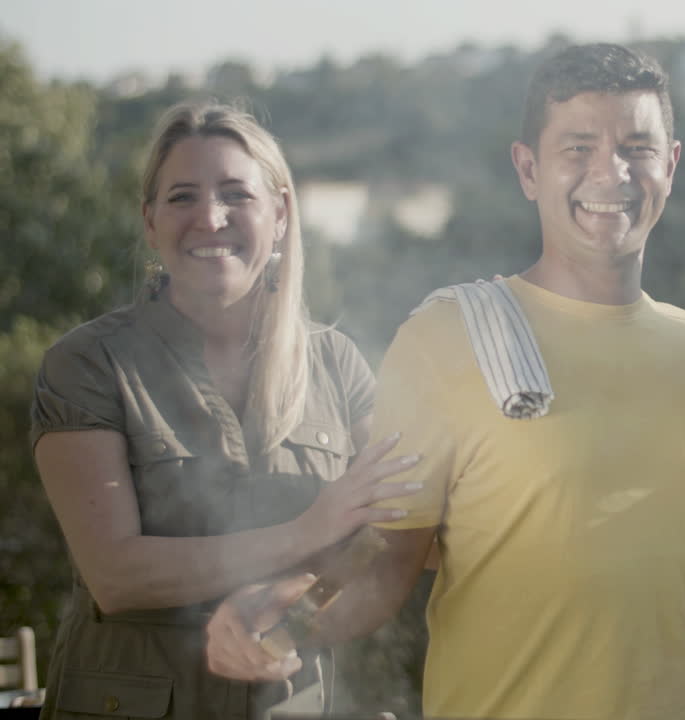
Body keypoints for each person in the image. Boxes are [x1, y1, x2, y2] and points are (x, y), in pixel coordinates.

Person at [205, 44, 685, 720]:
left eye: (638, 146)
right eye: (577, 148)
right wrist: (291, 616)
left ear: (672, 164)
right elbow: (388, 553)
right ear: (528, 169)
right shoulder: (448, 338)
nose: (613, 171)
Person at [30, 101, 420, 720]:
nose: (210, 218)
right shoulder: (87, 364)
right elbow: (117, 573)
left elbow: (390, 536)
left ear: (282, 213)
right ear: (150, 221)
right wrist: (302, 532)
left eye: (236, 194)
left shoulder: (337, 363)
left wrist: (288, 611)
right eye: (183, 197)